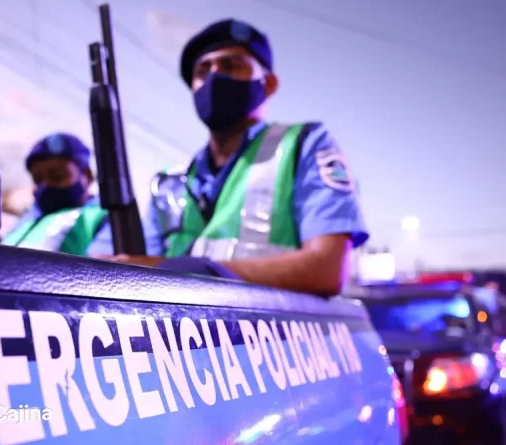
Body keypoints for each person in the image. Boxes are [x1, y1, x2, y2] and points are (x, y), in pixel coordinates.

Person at [106, 19, 368, 296]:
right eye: (202, 71)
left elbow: (326, 269)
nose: (215, 76)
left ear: (267, 84)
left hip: (278, 334)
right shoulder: (167, 183)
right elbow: (136, 269)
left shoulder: (304, 144)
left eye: (231, 65)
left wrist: (192, 272)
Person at [0, 133, 117, 256]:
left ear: (87, 176)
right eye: (38, 180)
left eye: (57, 177)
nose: (45, 186)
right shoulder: (29, 217)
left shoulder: (102, 218)